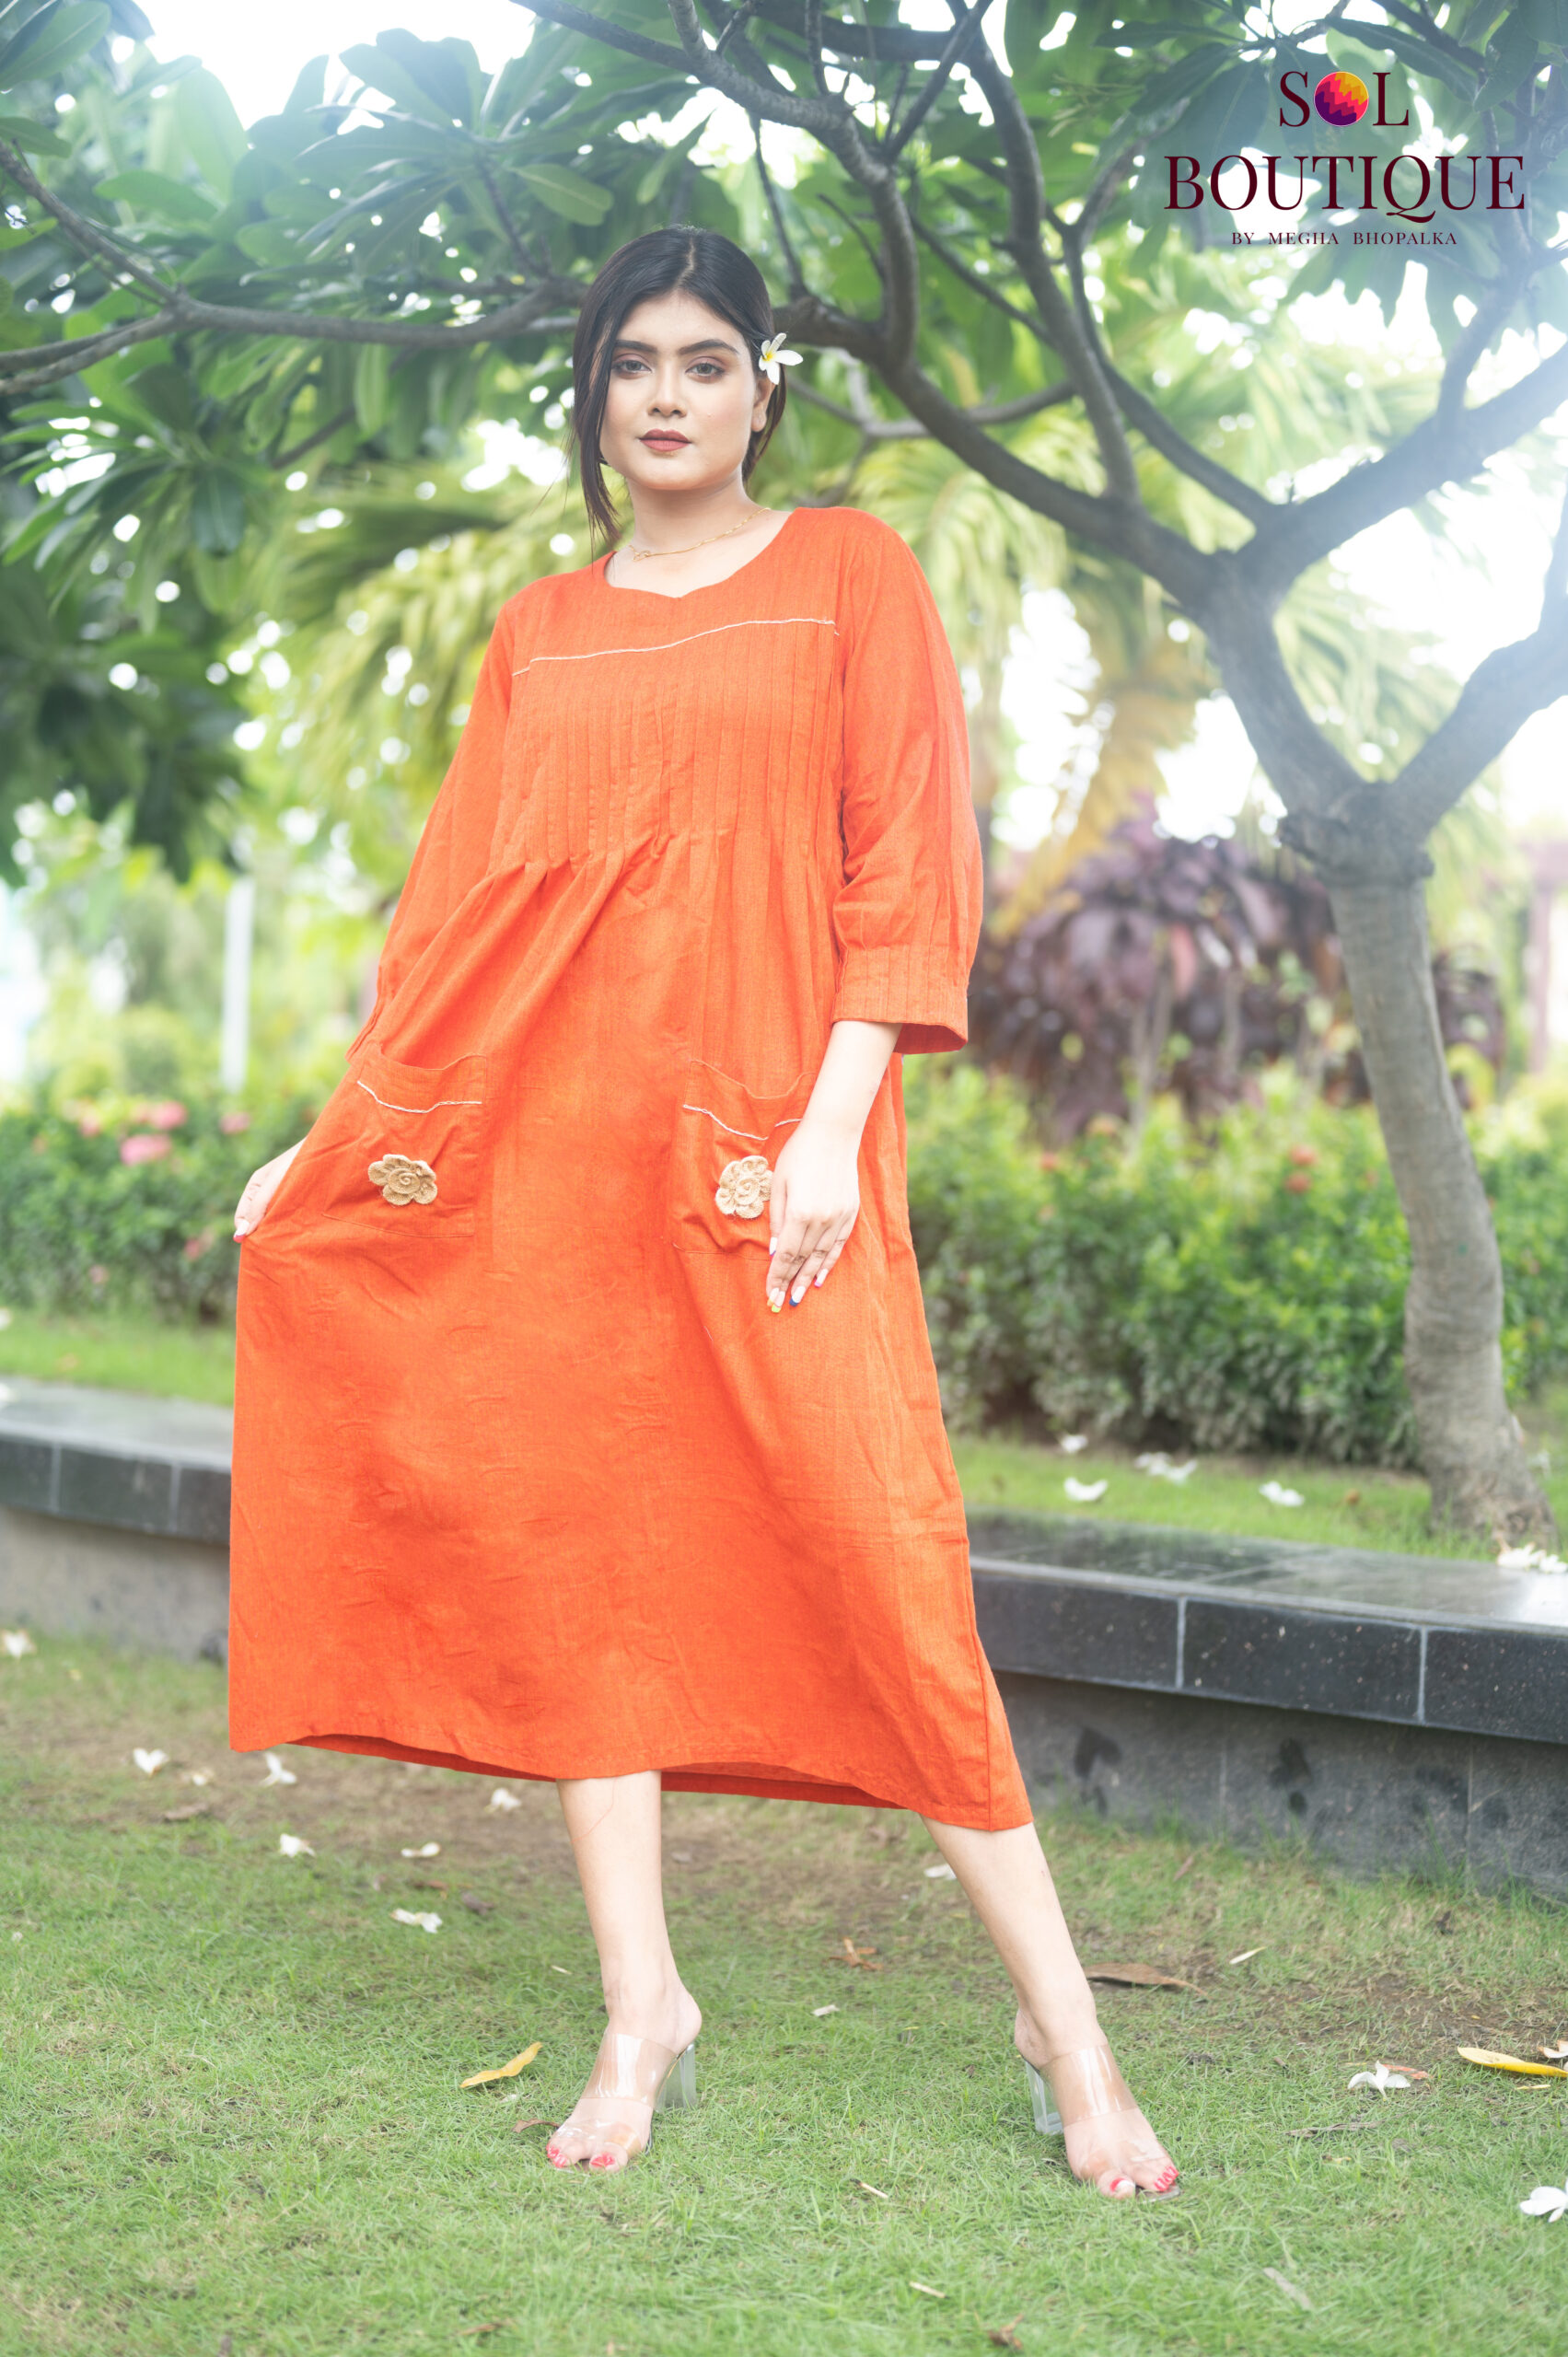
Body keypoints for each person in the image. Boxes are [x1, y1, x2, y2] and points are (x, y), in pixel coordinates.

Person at [228, 226, 1178, 2201]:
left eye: (706, 359)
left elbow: (905, 860)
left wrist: (833, 1124)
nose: (665, 393)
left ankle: (1065, 2028)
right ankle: (638, 2003)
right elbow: (454, 921)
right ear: (595, 394)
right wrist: (332, 1141)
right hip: (554, 1156)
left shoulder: (850, 573)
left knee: (882, 1556)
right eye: (634, 361)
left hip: (770, 1145)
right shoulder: (539, 632)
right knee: (586, 1555)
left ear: (765, 387)